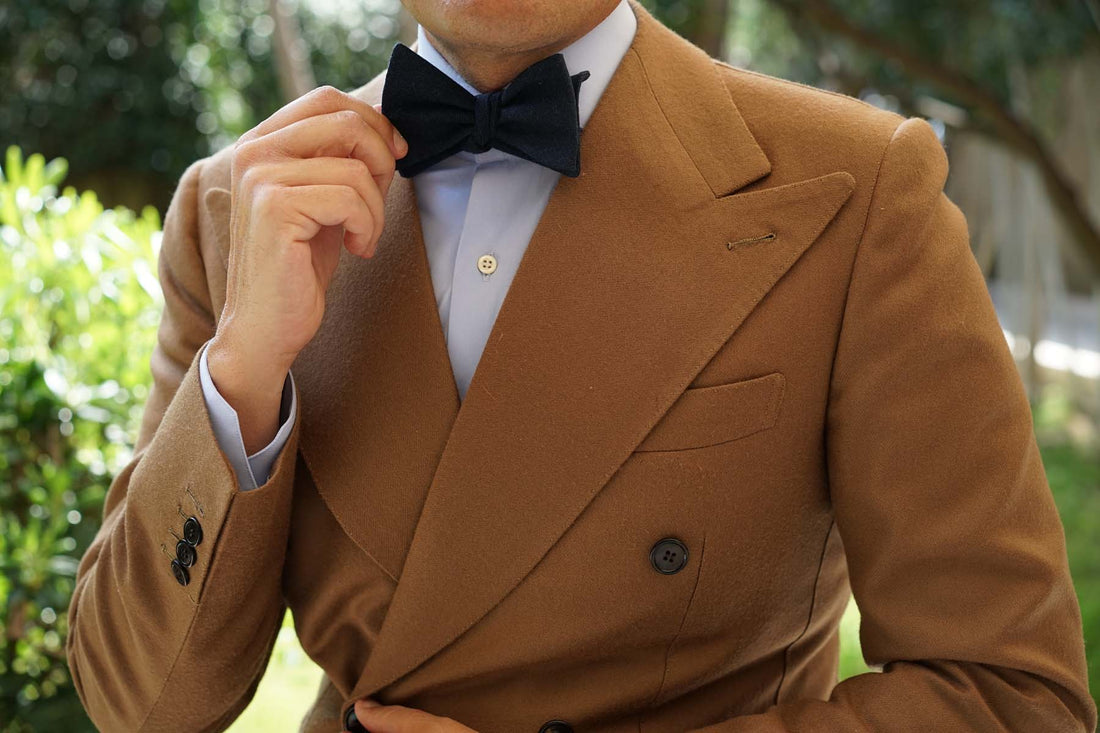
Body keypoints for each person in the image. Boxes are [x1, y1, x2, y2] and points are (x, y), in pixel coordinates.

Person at [66, 0, 1096, 730]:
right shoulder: (231, 208)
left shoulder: (857, 189)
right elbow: (137, 706)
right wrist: (243, 368)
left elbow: (1010, 697)